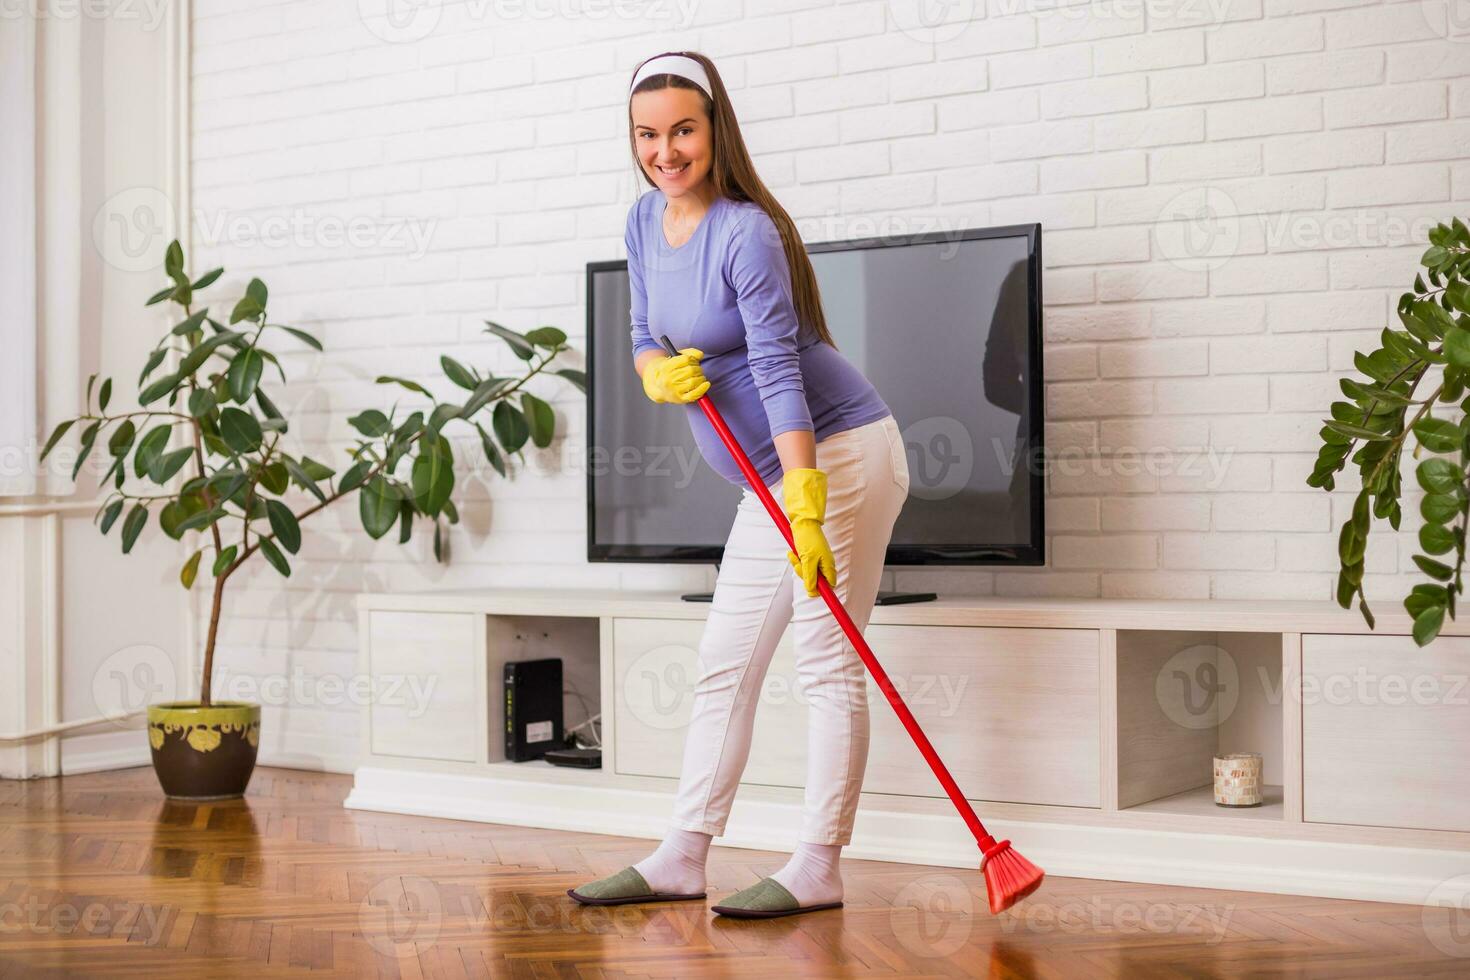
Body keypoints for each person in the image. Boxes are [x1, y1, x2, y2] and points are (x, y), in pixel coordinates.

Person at [567, 51, 909, 920]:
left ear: (715, 131)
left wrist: (806, 500)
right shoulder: (644, 223)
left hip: (838, 452)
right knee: (724, 661)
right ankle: (684, 854)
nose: (666, 150)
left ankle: (819, 864)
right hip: (768, 475)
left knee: (825, 660)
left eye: (683, 130)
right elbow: (645, 328)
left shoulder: (746, 230)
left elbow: (778, 368)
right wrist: (651, 371)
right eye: (648, 134)